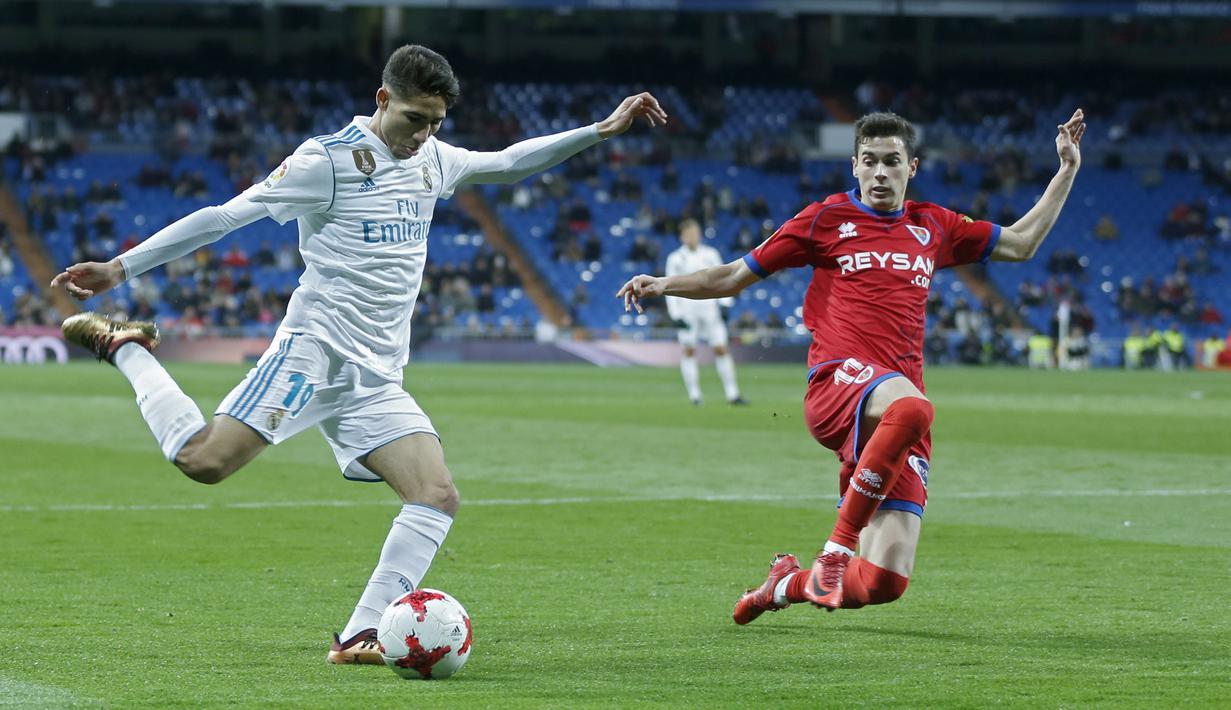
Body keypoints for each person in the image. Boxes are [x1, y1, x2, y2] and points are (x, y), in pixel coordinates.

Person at [50, 45, 667, 664]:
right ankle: (126, 347)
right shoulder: (328, 160)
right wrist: (120, 266)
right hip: (314, 355)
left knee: (436, 494)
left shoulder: (433, 158)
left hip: (376, 376)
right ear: (381, 100)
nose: (422, 135)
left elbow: (507, 162)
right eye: (413, 120)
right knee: (203, 461)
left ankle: (359, 634)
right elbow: (223, 217)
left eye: (434, 123)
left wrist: (599, 130)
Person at [619, 108, 1084, 621]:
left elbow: (1020, 244)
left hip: (893, 402)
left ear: (913, 167)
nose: (880, 172)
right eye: (870, 161)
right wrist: (663, 284)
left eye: (892, 161)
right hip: (838, 383)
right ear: (854, 167)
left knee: (884, 582)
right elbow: (732, 276)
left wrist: (1065, 170)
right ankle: (835, 552)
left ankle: (786, 584)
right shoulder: (824, 219)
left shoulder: (935, 225)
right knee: (916, 410)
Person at [663, 218, 745, 405]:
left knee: (721, 348)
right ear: (682, 236)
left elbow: (724, 279)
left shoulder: (710, 254)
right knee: (689, 351)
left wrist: (725, 304)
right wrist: (675, 315)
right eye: (689, 233)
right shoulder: (675, 258)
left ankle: (733, 394)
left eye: (695, 232)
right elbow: (669, 287)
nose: (693, 236)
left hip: (710, 309)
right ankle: (695, 395)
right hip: (687, 310)